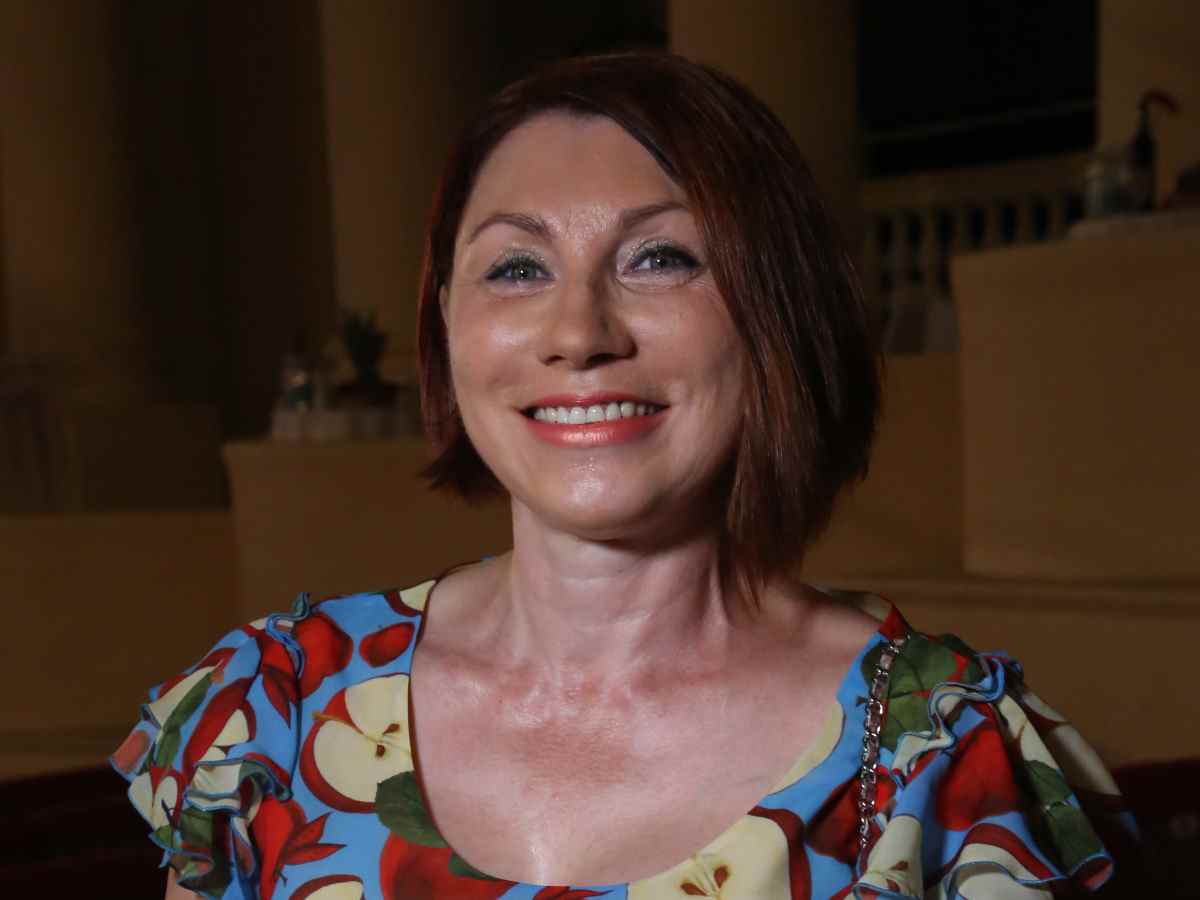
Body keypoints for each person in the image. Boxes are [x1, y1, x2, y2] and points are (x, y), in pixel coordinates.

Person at [112, 53, 1130, 899]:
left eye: (659, 258)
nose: (579, 332)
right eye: (517, 267)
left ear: (777, 310)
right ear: (447, 326)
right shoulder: (275, 716)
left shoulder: (935, 760)